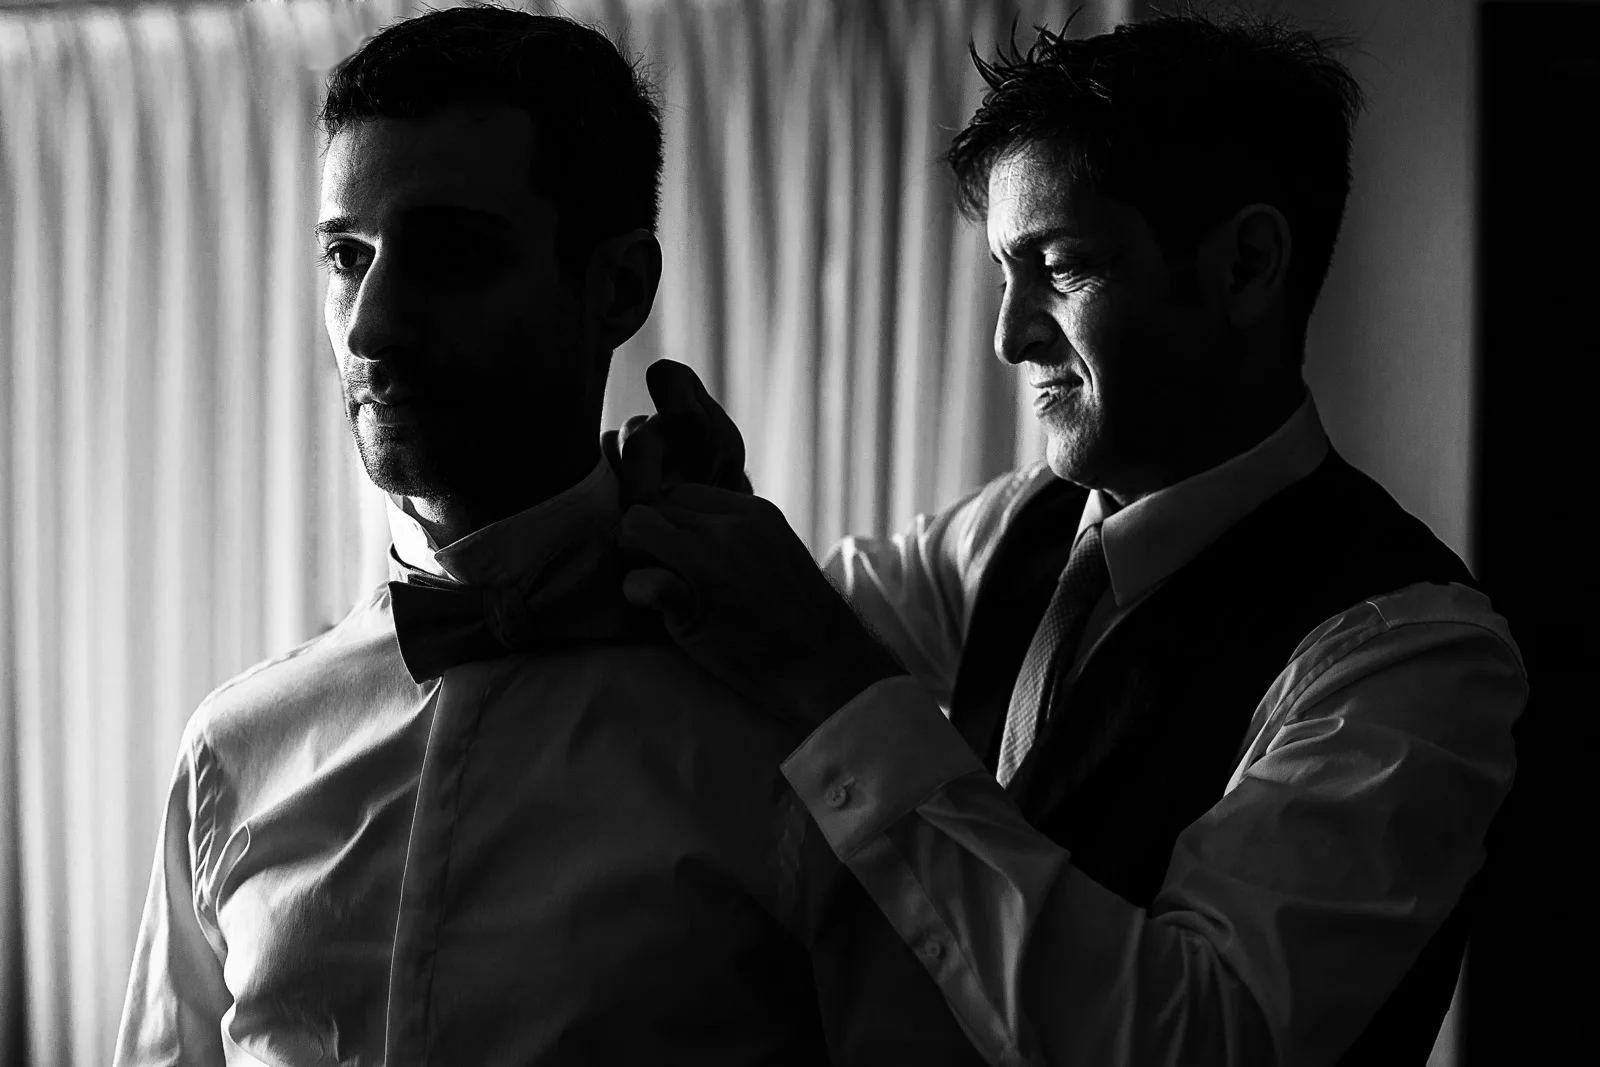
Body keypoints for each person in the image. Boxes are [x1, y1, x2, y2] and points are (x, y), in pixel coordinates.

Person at [613, 12, 1527, 1067]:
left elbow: (1195, 1038)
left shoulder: (1412, 652)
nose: (1010, 334)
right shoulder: (1016, 527)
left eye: (1062, 265)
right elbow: (778, 628)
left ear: (1246, 265)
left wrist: (837, 687)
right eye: (1005, 271)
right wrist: (705, 542)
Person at [114, 7, 984, 1065]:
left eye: (451, 254)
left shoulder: (797, 752)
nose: (370, 324)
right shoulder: (233, 747)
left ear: (617, 286)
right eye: (347, 254)